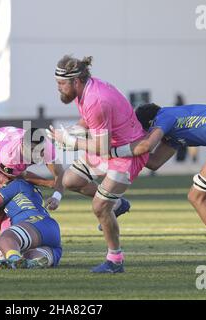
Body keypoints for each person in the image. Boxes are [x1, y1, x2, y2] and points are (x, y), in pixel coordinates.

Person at [110, 103, 206, 277]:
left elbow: (146, 146)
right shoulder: (174, 126)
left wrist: (113, 150)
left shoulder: (163, 118)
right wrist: (129, 151)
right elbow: (154, 162)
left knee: (197, 197)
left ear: (149, 124)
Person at [47, 55, 148, 273]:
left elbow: (101, 146)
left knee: (100, 206)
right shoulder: (84, 91)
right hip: (111, 148)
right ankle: (118, 204)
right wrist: (73, 131)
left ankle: (115, 260)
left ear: (75, 81)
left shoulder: (96, 99)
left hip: (126, 154)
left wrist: (71, 141)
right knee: (71, 180)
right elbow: (88, 121)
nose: (58, 88)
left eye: (61, 83)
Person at [0, 126, 64, 263]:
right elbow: (22, 176)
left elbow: (60, 174)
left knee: (9, 202)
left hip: (6, 150)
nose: (36, 156)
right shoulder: (9, 155)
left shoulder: (47, 147)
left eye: (39, 152)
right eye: (32, 152)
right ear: (23, 145)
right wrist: (48, 183)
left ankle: (10, 245)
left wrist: (57, 196)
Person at [0, 172, 62, 269]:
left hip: (34, 223)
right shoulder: (28, 187)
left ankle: (14, 259)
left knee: (4, 238)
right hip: (51, 230)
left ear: (10, 175)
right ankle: (39, 259)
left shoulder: (16, 184)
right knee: (28, 255)